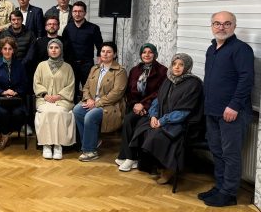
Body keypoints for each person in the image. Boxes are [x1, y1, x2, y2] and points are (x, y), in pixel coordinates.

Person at [200, 11, 255, 207]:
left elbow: (246, 79)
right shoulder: (211, 49)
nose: (221, 27)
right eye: (217, 23)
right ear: (212, 26)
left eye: (226, 23)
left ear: (234, 26)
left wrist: (234, 105)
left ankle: (229, 193)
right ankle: (220, 186)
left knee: (230, 154)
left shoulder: (242, 49)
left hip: (232, 112)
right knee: (216, 151)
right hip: (212, 111)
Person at [129, 53, 204, 185]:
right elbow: (157, 101)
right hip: (162, 118)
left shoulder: (193, 84)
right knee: (143, 127)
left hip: (181, 123)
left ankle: (168, 169)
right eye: (174, 64)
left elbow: (184, 112)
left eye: (181, 65)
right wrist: (153, 116)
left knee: (157, 135)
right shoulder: (169, 79)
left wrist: (162, 121)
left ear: (187, 67)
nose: (176, 67)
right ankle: (155, 165)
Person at [116, 43, 167, 172]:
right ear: (141, 55)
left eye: (150, 52)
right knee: (128, 119)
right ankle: (127, 156)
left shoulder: (163, 71)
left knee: (130, 120)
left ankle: (130, 158)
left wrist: (143, 105)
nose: (147, 55)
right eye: (144, 52)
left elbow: (159, 93)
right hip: (135, 106)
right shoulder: (135, 70)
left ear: (155, 54)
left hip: (151, 107)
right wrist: (135, 105)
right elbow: (129, 91)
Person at [72, 41, 127, 162]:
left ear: (114, 54)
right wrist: (88, 99)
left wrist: (96, 103)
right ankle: (94, 140)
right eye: (103, 51)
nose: (105, 54)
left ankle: (90, 151)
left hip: (110, 105)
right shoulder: (94, 68)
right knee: (77, 110)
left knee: (90, 116)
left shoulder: (120, 71)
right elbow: (86, 87)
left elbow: (117, 93)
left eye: (109, 52)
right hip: (93, 102)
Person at [33, 39, 75, 160]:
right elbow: (37, 83)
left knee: (59, 113)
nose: (54, 50)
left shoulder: (68, 67)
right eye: (51, 48)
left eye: (56, 47)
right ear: (48, 50)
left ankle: (58, 145)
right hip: (44, 99)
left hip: (62, 100)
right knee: (46, 112)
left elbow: (71, 85)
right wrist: (45, 95)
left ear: (61, 50)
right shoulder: (41, 66)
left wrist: (58, 96)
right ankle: (46, 145)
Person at [0, 37, 28, 151]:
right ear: (1, 50)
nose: (7, 51)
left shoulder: (19, 65)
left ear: (13, 50)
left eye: (10, 49)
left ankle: (4, 133)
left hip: (15, 98)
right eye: (5, 49)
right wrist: (3, 92)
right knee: (2, 112)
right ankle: (4, 134)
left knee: (18, 113)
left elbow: (24, 84)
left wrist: (15, 92)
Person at [61, 1, 103, 102]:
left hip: (87, 64)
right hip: (71, 64)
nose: (77, 14)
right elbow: (63, 46)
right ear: (72, 13)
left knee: (88, 90)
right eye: (75, 11)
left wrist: (99, 63)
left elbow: (100, 46)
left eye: (80, 11)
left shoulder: (93, 28)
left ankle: (85, 109)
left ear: (85, 13)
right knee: (71, 90)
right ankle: (73, 109)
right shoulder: (68, 28)